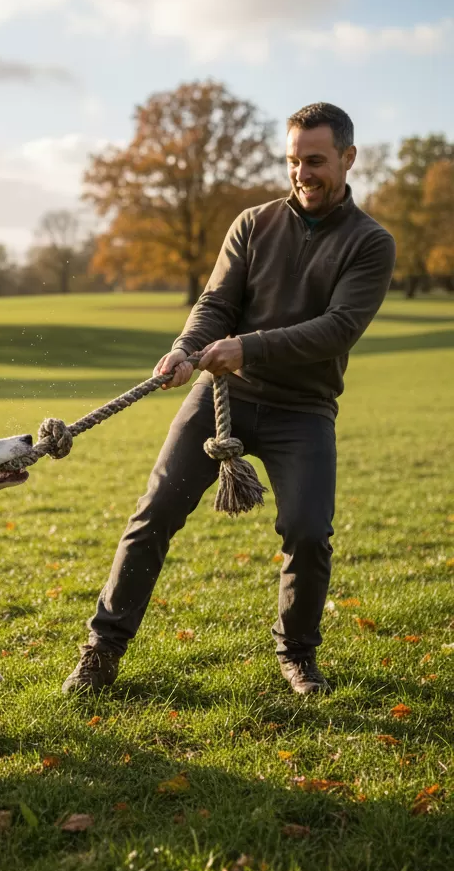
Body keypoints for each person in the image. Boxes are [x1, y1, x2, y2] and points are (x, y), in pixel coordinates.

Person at [62, 102, 396, 697]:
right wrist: (186, 348)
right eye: (294, 161)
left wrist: (248, 347)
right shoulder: (253, 223)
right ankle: (101, 651)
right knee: (155, 513)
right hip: (223, 395)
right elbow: (215, 304)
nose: (302, 174)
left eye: (315, 161)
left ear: (348, 158)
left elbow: (340, 327)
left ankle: (297, 656)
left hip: (304, 410)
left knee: (308, 531)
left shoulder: (371, 243)